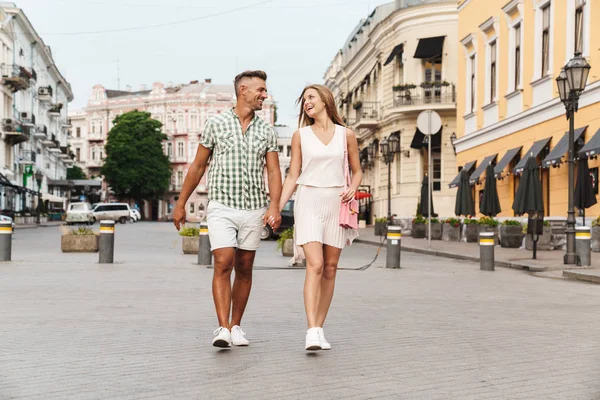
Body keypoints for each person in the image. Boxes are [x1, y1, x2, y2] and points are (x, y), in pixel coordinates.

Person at [173, 70, 282, 348]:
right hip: (221, 205)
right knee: (223, 262)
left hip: (254, 207)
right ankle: (222, 327)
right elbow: (197, 166)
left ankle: (236, 326)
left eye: (265, 90)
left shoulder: (266, 131)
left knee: (245, 267)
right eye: (260, 90)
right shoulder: (216, 124)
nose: (264, 95)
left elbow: (273, 172)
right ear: (242, 90)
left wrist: (274, 206)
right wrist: (181, 202)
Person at [279, 84, 362, 351]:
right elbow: (292, 175)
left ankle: (319, 329)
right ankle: (312, 330)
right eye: (303, 100)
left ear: (326, 100)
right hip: (309, 201)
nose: (306, 103)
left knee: (330, 268)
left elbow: (357, 170)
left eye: (311, 97)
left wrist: (353, 187)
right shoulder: (300, 135)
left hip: (337, 202)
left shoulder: (346, 134)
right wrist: (277, 208)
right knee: (314, 264)